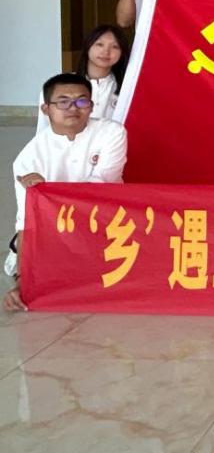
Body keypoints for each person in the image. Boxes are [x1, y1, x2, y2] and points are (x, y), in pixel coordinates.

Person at [5, 73, 128, 312]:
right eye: (63, 102)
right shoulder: (29, 159)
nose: (73, 108)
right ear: (46, 109)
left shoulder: (112, 133)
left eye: (82, 101)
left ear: (91, 105)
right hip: (57, 231)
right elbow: (26, 222)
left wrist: (50, 193)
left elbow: (103, 187)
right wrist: (24, 282)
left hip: (103, 221)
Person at [36, 25, 129, 133]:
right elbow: (44, 130)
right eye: (99, 44)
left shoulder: (128, 88)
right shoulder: (59, 85)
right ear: (87, 46)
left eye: (115, 46)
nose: (106, 52)